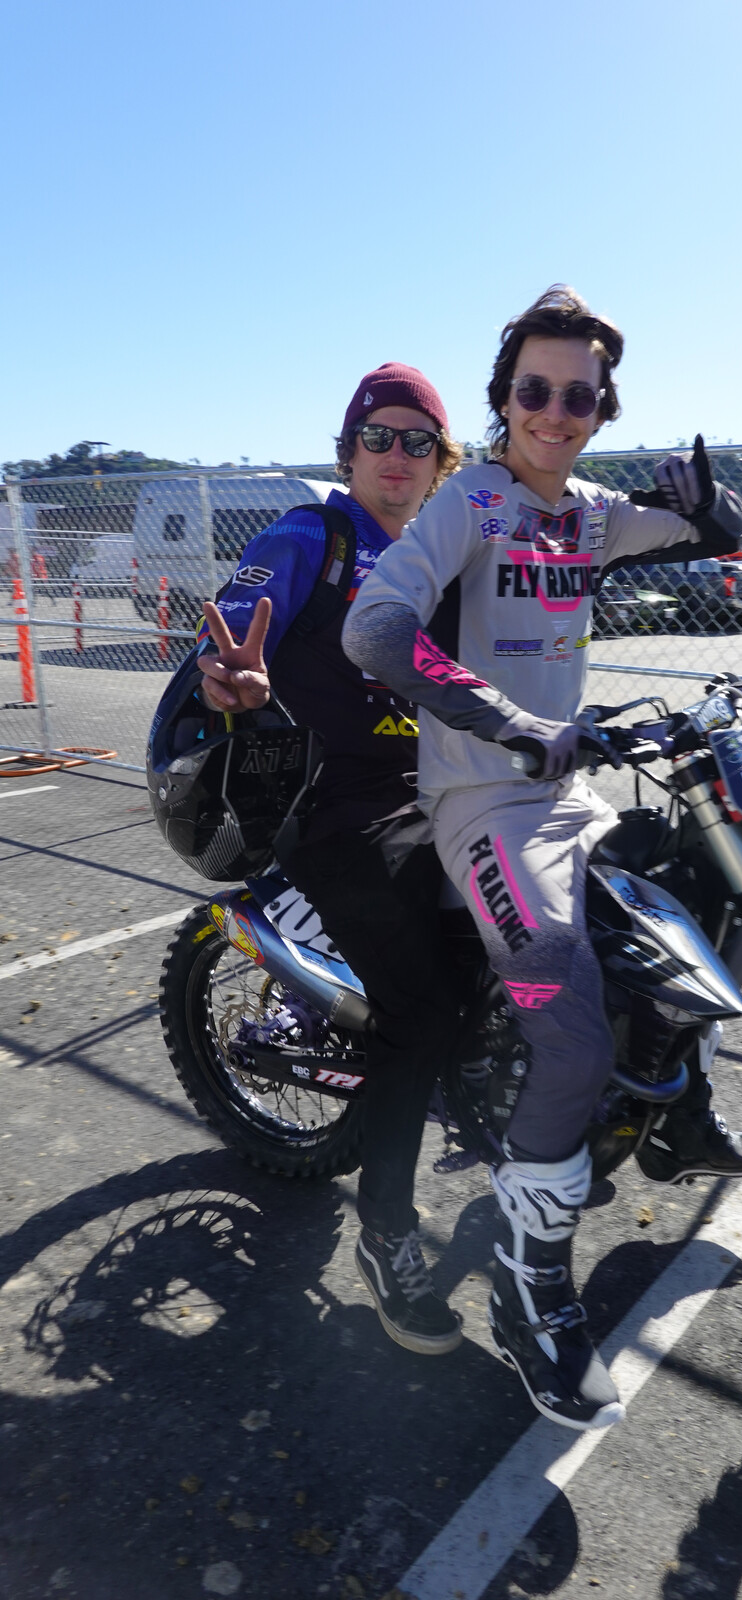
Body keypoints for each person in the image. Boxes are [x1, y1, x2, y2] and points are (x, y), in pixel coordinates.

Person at [343, 288, 742, 1431]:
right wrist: (505, 720)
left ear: (597, 409)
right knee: (564, 1000)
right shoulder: (470, 501)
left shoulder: (586, 513)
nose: (552, 410)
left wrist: (717, 508)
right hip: (484, 800)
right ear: (503, 400)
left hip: (567, 793)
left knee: (706, 896)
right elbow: (374, 631)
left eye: (575, 395)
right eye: (532, 390)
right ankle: (531, 1290)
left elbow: (702, 537)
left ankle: (672, 1110)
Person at [196, 363, 469, 1356]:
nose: (397, 457)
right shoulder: (312, 536)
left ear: (442, 465)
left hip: (436, 790)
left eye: (418, 443)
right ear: (348, 449)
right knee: (424, 1012)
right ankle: (388, 1230)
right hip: (331, 802)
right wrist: (233, 680)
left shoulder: (445, 550)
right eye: (379, 437)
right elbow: (227, 638)